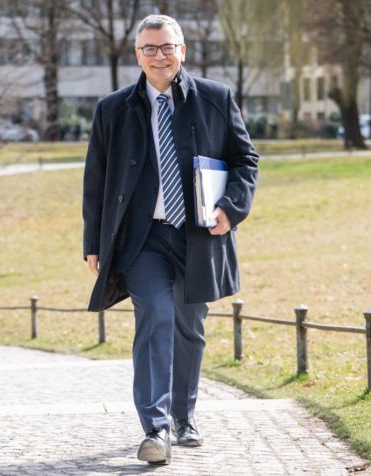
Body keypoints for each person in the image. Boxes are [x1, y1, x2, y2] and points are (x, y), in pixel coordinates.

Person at [82, 14, 258, 466]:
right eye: (149, 49)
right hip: (141, 239)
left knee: (188, 326)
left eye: (166, 47)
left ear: (182, 51)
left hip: (197, 234)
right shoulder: (113, 109)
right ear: (137, 55)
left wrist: (230, 208)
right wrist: (93, 242)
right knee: (156, 315)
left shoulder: (215, 99)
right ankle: (155, 427)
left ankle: (185, 416)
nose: (158, 56)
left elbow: (245, 159)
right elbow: (96, 180)